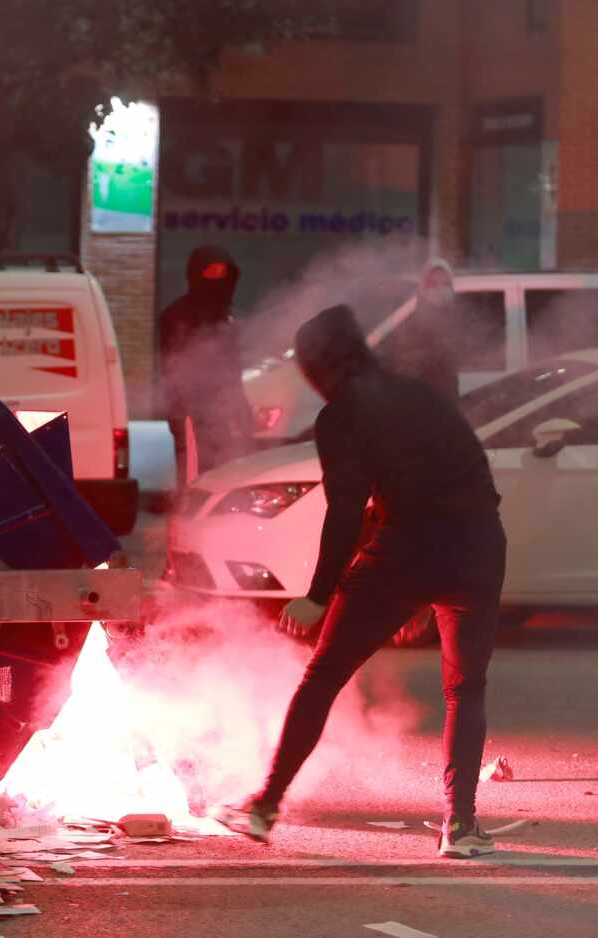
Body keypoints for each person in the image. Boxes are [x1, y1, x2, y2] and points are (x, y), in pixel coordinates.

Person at [216, 304, 507, 859]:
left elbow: (346, 512)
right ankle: (462, 827)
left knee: (324, 675)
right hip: (479, 545)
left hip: (408, 547)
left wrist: (318, 595)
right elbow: (468, 473)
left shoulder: (344, 413)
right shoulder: (422, 395)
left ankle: (262, 807)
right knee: (466, 689)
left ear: (320, 367)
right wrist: (432, 585)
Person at [158, 245, 251, 488]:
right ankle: (188, 517)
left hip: (222, 410)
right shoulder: (177, 316)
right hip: (189, 410)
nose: (217, 279)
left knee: (223, 468)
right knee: (191, 471)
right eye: (211, 272)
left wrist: (240, 406)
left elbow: (233, 366)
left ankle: (213, 516)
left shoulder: (227, 317)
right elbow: (171, 366)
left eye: (222, 272)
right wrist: (180, 412)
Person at [380, 258, 460, 402]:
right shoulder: (410, 322)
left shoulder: (457, 319)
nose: (440, 289)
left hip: (448, 404)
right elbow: (402, 362)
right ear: (422, 287)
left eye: (445, 283)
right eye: (433, 284)